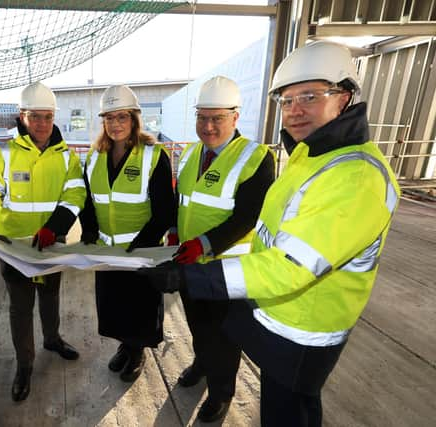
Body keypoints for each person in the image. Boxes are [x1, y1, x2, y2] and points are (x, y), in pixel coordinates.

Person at [142, 41, 400, 426]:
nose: (295, 110)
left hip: (293, 318)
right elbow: (189, 201)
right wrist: (181, 238)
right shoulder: (307, 155)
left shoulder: (352, 174)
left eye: (310, 96)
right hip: (264, 300)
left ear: (344, 97)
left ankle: (221, 392)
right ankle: (203, 365)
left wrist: (197, 261)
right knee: (213, 342)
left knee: (271, 392)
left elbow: (268, 239)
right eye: (287, 99)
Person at [0, 82, 86, 402]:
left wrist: (55, 227)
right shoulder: (1, 153)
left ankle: (52, 339)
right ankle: (25, 364)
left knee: (51, 296)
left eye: (47, 117)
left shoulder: (66, 157)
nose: (42, 123)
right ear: (22, 116)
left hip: (50, 243)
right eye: (35, 116)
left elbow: (75, 194)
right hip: (14, 246)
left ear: (53, 117)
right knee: (21, 307)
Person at [170, 76, 275, 422]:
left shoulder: (255, 158)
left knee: (224, 336)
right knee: (198, 324)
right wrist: (174, 230)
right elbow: (181, 200)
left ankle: (221, 393)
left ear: (235, 117)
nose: (208, 126)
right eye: (202, 118)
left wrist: (204, 244)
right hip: (190, 261)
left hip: (226, 268)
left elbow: (248, 216)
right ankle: (202, 364)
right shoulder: (189, 153)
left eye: (217, 118)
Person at [78, 85, 175, 383]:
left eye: (122, 117)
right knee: (115, 306)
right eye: (109, 118)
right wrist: (89, 231)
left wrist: (141, 246)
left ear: (134, 119)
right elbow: (87, 200)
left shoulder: (152, 156)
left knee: (139, 308)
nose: (115, 124)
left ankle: (137, 353)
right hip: (108, 251)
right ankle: (125, 345)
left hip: (141, 251)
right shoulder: (94, 157)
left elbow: (164, 210)